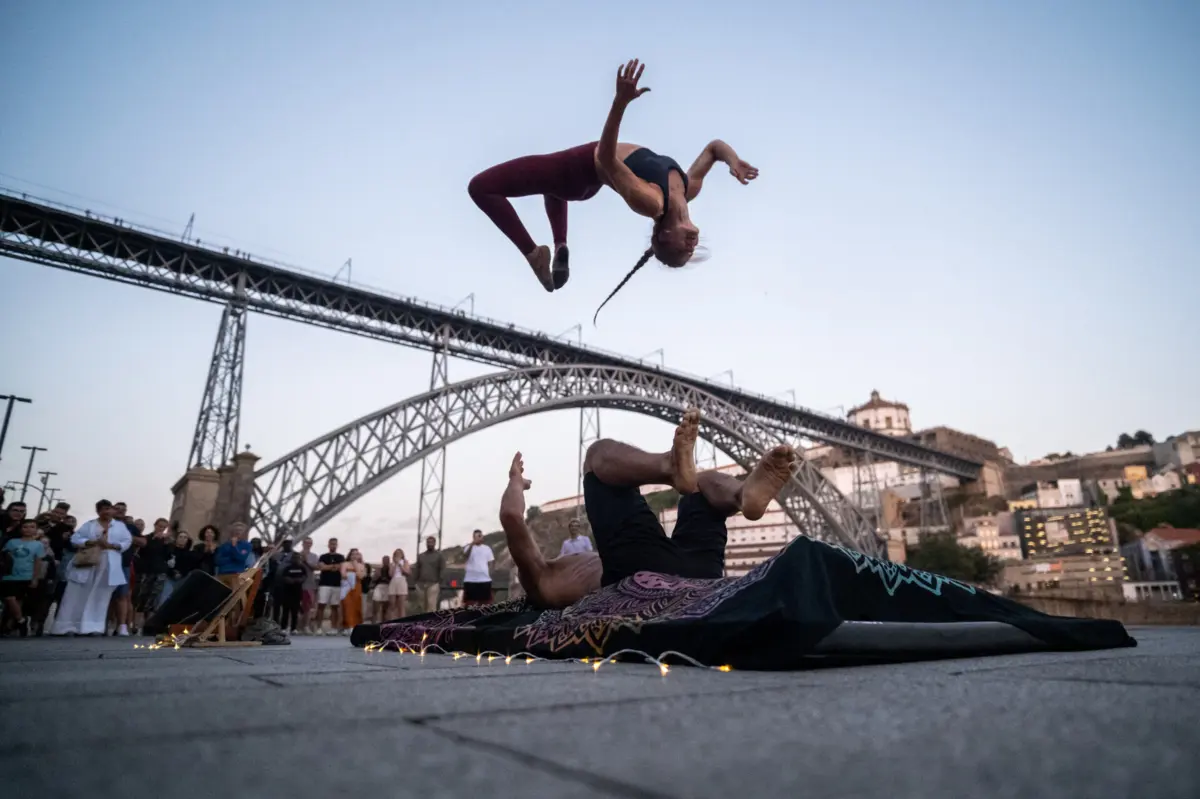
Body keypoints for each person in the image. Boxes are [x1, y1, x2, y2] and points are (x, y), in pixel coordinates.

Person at [468, 58, 757, 319]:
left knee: (481, 188)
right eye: (690, 252)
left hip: (576, 171)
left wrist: (620, 102)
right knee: (550, 185)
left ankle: (534, 254)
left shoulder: (651, 201)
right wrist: (733, 161)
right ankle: (560, 245)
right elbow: (713, 148)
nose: (691, 247)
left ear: (665, 235)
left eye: (682, 250)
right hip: (579, 180)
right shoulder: (687, 189)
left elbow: (605, 158)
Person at [498, 409, 795, 610]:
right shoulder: (541, 580)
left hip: (682, 566)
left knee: (700, 485)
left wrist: (515, 486)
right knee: (596, 456)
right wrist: (516, 481)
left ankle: (744, 494)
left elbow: (511, 517)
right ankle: (722, 488)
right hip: (642, 575)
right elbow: (510, 516)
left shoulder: (546, 578)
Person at [51, 499, 133, 636]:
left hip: (109, 562)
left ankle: (93, 627)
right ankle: (68, 626)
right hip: (88, 561)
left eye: (109, 509)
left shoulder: (119, 526)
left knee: (100, 596)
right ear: (98, 511)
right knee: (77, 594)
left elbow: (127, 541)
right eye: (103, 509)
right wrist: (91, 542)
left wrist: (113, 545)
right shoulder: (89, 525)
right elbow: (75, 539)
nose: (107, 512)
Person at [2, 519, 46, 636]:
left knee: (19, 600)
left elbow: (38, 562)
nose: (28, 529)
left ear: (36, 529)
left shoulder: (38, 545)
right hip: (10, 575)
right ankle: (21, 621)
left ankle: (11, 625)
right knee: (9, 598)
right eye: (25, 527)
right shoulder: (12, 542)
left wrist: (35, 578)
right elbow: (5, 556)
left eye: (32, 527)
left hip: (26, 575)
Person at [314, 537, 345, 635]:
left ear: (337, 545)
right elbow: (321, 567)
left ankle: (334, 628)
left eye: (335, 544)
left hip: (336, 584)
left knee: (335, 607)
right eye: (332, 544)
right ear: (328, 545)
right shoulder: (323, 556)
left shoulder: (341, 557)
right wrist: (334, 566)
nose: (333, 546)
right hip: (324, 584)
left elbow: (341, 567)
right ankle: (319, 628)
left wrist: (328, 567)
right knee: (321, 605)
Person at [275, 551, 309, 634]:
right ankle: (283, 627)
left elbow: (305, 576)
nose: (296, 559)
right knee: (285, 611)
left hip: (297, 592)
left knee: (295, 611)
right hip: (287, 592)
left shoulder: (302, 568)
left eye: (297, 558)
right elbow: (284, 577)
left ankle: (293, 628)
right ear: (291, 559)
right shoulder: (287, 568)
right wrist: (291, 580)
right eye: (294, 558)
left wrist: (300, 580)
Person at [461, 530, 495, 607]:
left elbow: (491, 562)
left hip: (484, 580)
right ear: (473, 537)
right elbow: (465, 556)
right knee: (469, 603)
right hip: (470, 580)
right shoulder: (468, 547)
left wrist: (490, 573)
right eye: (477, 536)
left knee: (485, 604)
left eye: (480, 535)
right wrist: (472, 544)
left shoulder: (487, 548)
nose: (479, 537)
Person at [412, 536, 445, 613]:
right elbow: (417, 569)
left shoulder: (439, 555)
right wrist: (416, 583)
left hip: (433, 584)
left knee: (431, 606)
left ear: (435, 543)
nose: (429, 544)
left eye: (431, 542)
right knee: (422, 606)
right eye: (428, 542)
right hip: (421, 585)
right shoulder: (421, 556)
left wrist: (439, 581)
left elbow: (442, 569)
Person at [388, 548, 410, 619]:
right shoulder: (392, 564)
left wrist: (400, 565)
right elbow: (391, 574)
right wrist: (395, 564)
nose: (398, 555)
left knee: (401, 606)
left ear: (402, 555)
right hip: (393, 581)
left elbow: (407, 572)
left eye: (399, 553)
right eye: (396, 553)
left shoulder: (405, 562)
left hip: (402, 581)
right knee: (392, 604)